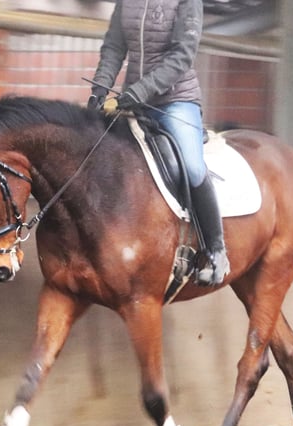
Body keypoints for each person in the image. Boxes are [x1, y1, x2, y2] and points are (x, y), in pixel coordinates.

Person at [87, 0, 229, 286]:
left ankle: (216, 251)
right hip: (131, 100)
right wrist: (99, 91)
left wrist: (138, 92)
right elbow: (114, 47)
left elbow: (182, 55)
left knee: (191, 168)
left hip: (175, 101)